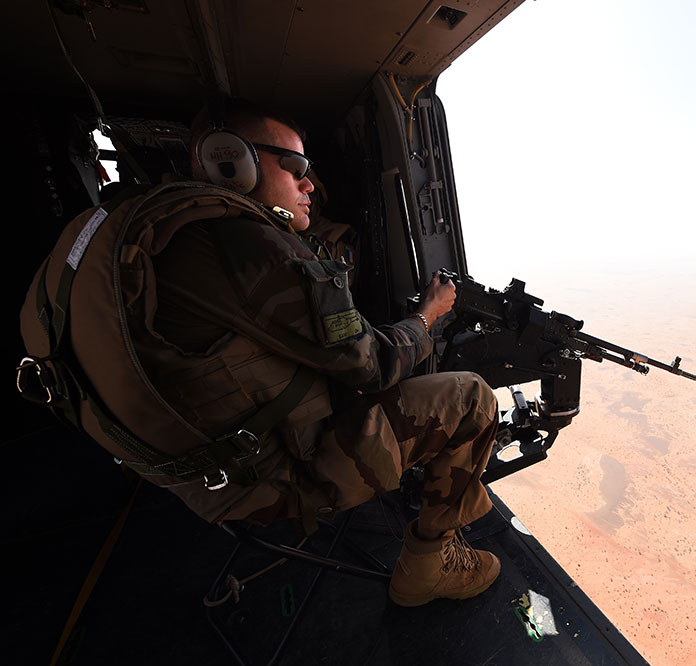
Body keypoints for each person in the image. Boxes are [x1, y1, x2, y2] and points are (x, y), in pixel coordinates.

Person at [106, 100, 501, 606]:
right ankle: (427, 567)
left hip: (182, 463)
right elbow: (376, 366)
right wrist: (427, 317)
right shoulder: (251, 249)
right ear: (232, 164)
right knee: (470, 398)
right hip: (263, 481)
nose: (310, 185)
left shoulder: (154, 224)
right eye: (295, 169)